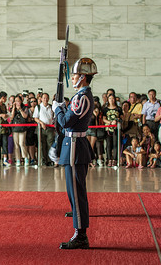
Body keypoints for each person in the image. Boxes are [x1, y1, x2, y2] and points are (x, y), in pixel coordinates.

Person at [53, 58, 97, 250]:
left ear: (83, 77)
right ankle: (79, 224)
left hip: (75, 146)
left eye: (75, 75)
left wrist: (58, 109)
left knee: (77, 191)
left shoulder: (82, 97)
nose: (72, 78)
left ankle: (81, 235)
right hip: (72, 144)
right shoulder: (81, 96)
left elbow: (67, 122)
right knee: (74, 191)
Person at [33, 92, 55, 166]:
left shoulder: (51, 107)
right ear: (41, 99)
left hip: (50, 128)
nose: (45, 99)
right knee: (42, 144)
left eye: (46, 98)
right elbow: (35, 118)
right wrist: (41, 123)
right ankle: (43, 160)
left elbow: (54, 117)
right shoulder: (38, 107)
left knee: (50, 144)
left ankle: (50, 160)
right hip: (41, 128)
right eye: (44, 98)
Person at [102, 94, 122, 167]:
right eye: (110, 98)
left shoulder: (118, 109)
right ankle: (109, 159)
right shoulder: (105, 109)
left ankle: (114, 159)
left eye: (113, 98)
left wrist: (117, 121)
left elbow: (121, 117)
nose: (111, 100)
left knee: (115, 144)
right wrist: (110, 122)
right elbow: (104, 119)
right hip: (108, 128)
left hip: (116, 128)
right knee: (108, 144)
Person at [10, 95, 30, 166]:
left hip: (22, 128)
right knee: (16, 145)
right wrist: (13, 108)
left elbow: (25, 116)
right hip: (15, 128)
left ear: (21, 101)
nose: (17, 102)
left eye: (18, 101)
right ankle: (18, 159)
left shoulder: (25, 108)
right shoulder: (13, 108)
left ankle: (25, 158)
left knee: (22, 143)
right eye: (16, 101)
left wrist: (20, 109)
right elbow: (11, 117)